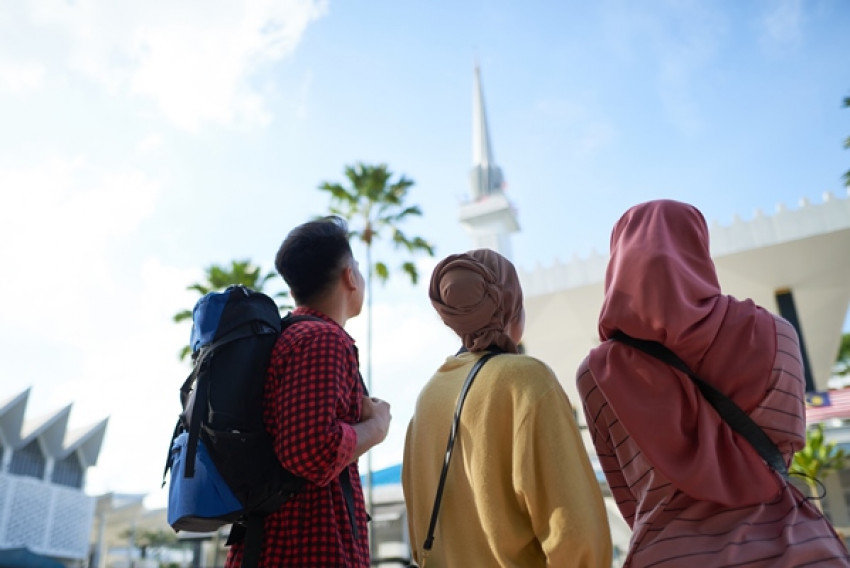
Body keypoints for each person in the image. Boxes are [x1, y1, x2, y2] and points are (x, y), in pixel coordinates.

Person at [577, 199, 850, 567]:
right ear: (698, 248)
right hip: (793, 549)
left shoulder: (596, 374)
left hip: (670, 553)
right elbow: (788, 444)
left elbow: (626, 491)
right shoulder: (776, 334)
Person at [402, 248, 613, 567]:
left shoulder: (428, 395)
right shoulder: (526, 379)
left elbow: (419, 534)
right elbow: (575, 533)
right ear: (510, 306)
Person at [225, 216, 392, 568]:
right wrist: (375, 428)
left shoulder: (295, 337)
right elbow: (311, 451)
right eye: (358, 268)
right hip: (304, 548)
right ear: (350, 276)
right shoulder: (321, 340)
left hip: (277, 545)